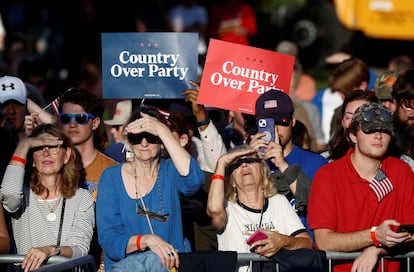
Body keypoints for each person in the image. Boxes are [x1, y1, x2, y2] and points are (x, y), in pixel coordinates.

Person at [96, 105, 205, 271]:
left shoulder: (171, 170)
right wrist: (145, 240)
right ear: (129, 141)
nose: (144, 143)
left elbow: (194, 181)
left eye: (151, 136)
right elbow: (109, 239)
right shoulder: (111, 177)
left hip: (172, 267)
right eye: (137, 137)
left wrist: (162, 130)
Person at [308, 102, 414, 272]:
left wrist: (378, 249)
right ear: (353, 136)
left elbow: (412, 233)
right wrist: (373, 235)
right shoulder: (327, 175)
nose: (378, 135)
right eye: (370, 130)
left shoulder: (401, 171)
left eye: (384, 130)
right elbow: (323, 240)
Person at [0, 123, 95, 272]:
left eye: (52, 146)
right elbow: (8, 194)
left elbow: (80, 248)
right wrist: (24, 144)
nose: (46, 153)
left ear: (67, 155)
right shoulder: (22, 196)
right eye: (38, 147)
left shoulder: (82, 198)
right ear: (31, 158)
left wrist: (51, 250)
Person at [207, 144, 313, 271]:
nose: (244, 165)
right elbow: (213, 210)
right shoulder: (227, 208)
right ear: (232, 182)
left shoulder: (278, 202)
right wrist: (222, 162)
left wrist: (283, 241)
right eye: (237, 163)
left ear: (263, 171)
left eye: (250, 160)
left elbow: (307, 243)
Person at [251, 89, 328, 241]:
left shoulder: (316, 163)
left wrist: (282, 164)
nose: (274, 129)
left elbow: (317, 208)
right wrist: (251, 160)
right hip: (261, 252)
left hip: (300, 253)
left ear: (292, 121)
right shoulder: (250, 161)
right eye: (266, 123)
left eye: (280, 121)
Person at [312, 57, 370, 144]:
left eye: (345, 91)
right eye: (339, 91)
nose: (340, 96)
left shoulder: (376, 113)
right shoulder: (339, 112)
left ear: (362, 86)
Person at [322, 90, 379, 161]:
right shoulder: (325, 161)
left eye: (362, 116)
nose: (353, 123)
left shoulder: (390, 164)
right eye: (349, 117)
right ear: (342, 122)